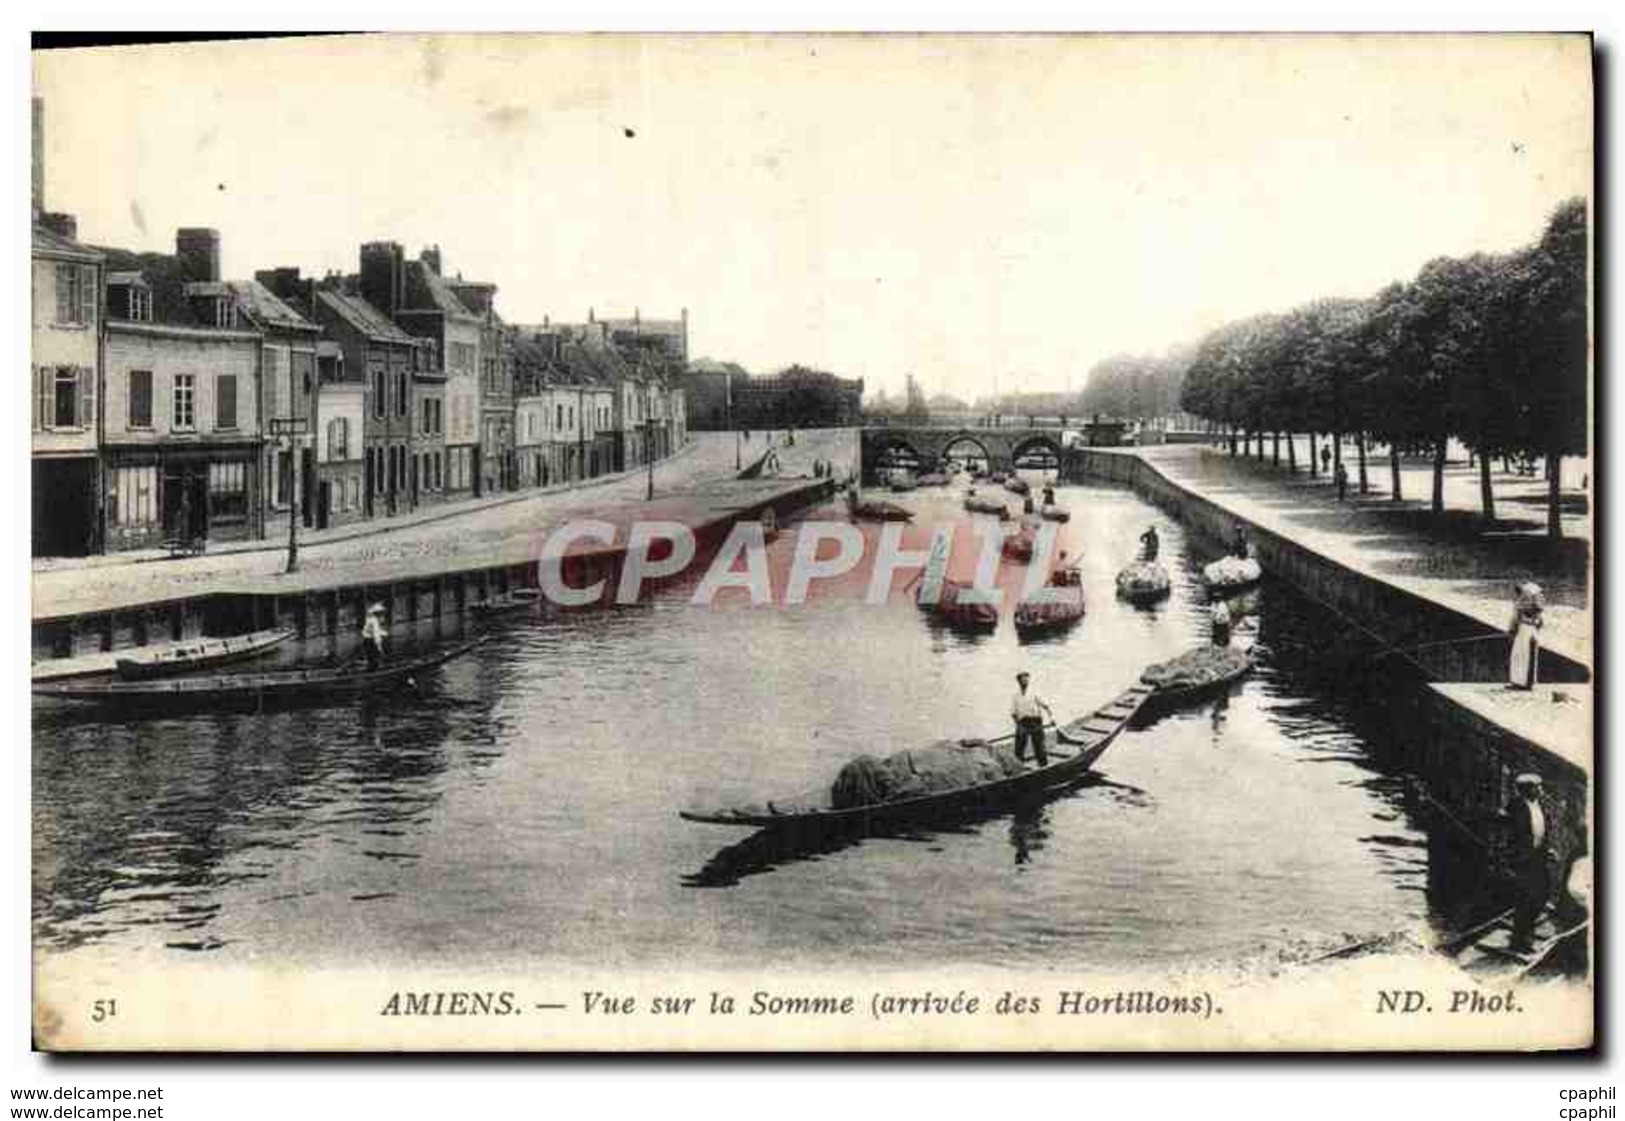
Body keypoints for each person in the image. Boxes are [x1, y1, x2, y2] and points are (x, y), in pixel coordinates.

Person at [1505, 773, 1554, 953]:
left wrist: (1547, 850)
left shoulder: (1541, 806)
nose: (1541, 790)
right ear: (1527, 789)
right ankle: (1519, 941)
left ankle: (1523, 935)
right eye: (1537, 787)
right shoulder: (1515, 806)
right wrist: (1512, 856)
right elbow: (1513, 832)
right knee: (1524, 899)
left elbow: (1541, 831)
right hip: (1522, 860)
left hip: (1538, 858)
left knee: (1542, 895)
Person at [1010, 672, 1054, 767]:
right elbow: (1013, 713)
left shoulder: (1035, 693)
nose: (1025, 682)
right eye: (1022, 680)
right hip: (1022, 722)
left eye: (1026, 680)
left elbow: (1046, 706)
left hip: (1035, 722)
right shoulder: (1015, 696)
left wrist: (1052, 719)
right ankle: (1018, 767)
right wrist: (1018, 725)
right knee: (1019, 747)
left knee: (1039, 746)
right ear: (1019, 682)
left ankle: (1043, 766)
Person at [1507, 583, 1544, 690]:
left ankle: (1519, 682)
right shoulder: (1535, 608)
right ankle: (1527, 683)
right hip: (1531, 631)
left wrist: (1511, 630)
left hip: (1523, 631)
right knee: (1527, 656)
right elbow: (1540, 623)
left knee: (1519, 656)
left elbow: (1515, 620)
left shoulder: (1519, 604)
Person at [361, 603, 389, 671]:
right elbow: (376, 634)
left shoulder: (370, 619)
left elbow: (372, 630)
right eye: (381, 613)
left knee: (370, 657)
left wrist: (384, 633)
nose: (382, 614)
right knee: (374, 657)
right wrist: (379, 647)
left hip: (366, 639)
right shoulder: (374, 621)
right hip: (370, 640)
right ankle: (372, 672)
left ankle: (371, 668)